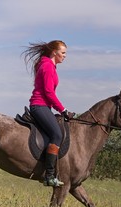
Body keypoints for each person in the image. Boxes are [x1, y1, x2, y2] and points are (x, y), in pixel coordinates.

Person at [22, 40, 74, 187]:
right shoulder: (48, 67)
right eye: (63, 53)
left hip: (44, 107)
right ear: (54, 52)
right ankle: (49, 176)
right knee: (57, 135)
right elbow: (49, 93)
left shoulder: (49, 66)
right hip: (40, 106)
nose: (65, 56)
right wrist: (63, 110)